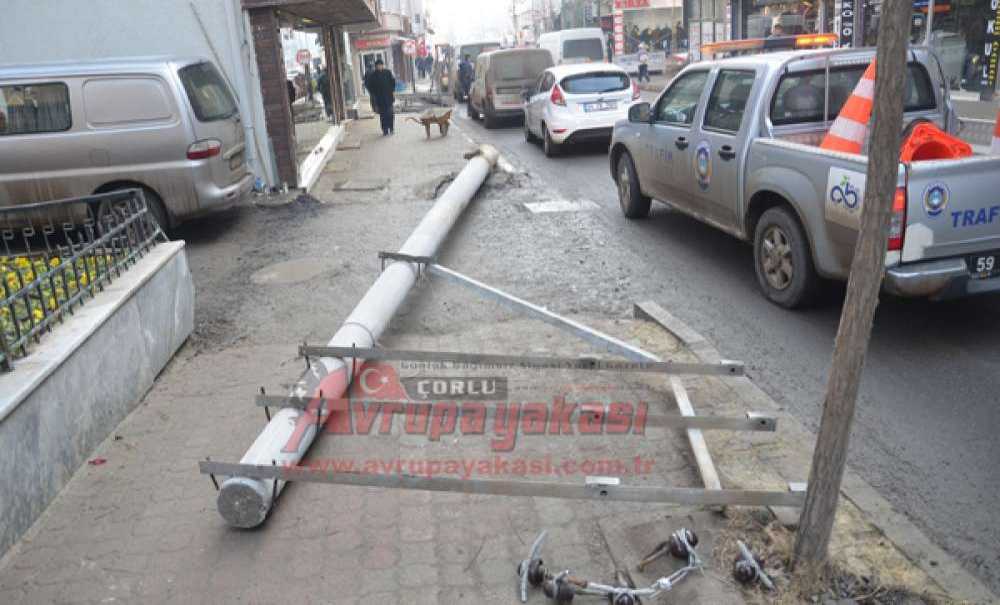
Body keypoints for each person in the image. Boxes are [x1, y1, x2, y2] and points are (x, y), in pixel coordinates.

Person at [364, 58, 396, 135]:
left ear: (383, 65)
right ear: (376, 66)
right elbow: (369, 86)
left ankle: (391, 128)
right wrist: (373, 94)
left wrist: (393, 92)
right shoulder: (373, 75)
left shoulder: (388, 72)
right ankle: (385, 129)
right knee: (383, 115)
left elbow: (393, 82)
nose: (379, 67)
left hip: (389, 97)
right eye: (378, 65)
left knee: (390, 113)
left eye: (381, 65)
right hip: (379, 98)